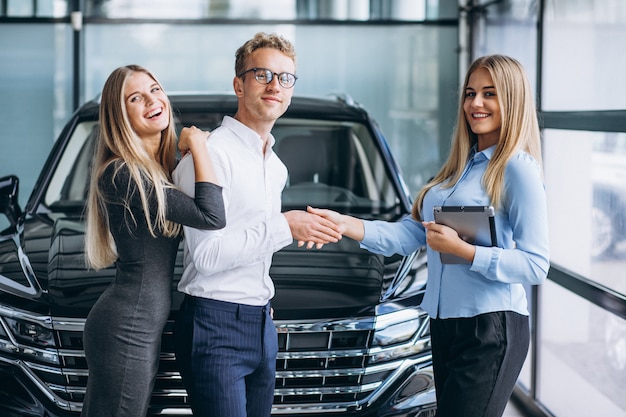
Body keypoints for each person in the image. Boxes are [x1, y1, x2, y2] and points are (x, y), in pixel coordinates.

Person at [307, 55, 550, 417]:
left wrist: (464, 251)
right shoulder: (460, 167)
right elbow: (408, 235)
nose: (475, 104)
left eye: (489, 94)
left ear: (512, 100)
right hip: (444, 326)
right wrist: (344, 224)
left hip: (490, 328)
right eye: (470, 93)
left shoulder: (517, 168)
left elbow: (536, 265)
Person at [172, 32, 342, 417]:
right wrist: (286, 226)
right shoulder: (209, 154)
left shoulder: (275, 167)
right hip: (214, 324)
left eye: (285, 78)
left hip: (261, 323)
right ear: (239, 84)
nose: (274, 85)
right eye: (262, 74)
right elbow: (208, 255)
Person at [82, 64, 226, 417]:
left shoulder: (161, 171)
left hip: (144, 319)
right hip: (127, 322)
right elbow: (211, 217)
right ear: (120, 115)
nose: (152, 99)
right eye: (135, 97)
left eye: (155, 89)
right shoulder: (122, 172)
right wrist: (200, 146)